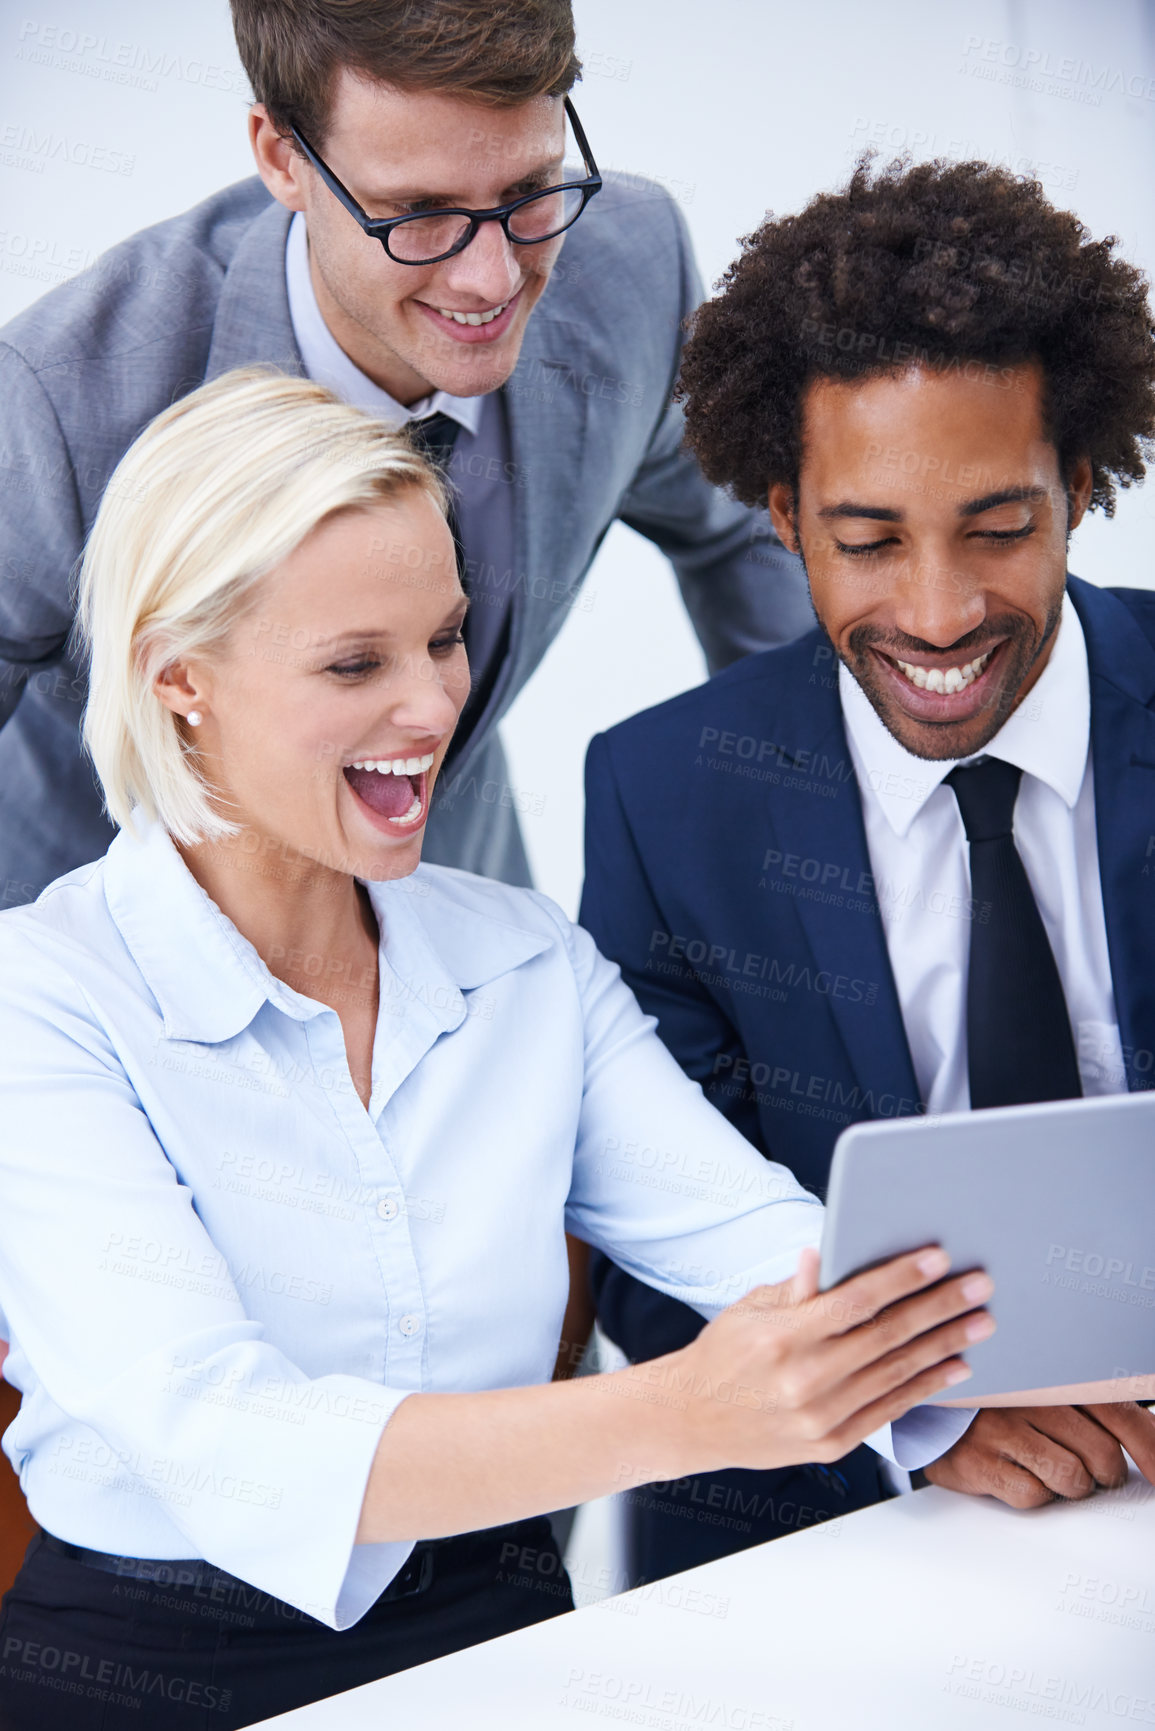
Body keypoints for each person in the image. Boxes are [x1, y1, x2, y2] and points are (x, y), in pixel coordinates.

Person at [0, 368, 984, 1731]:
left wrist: (959, 1378)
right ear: (181, 679)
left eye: (444, 639)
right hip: (158, 1671)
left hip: (502, 1634)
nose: (429, 706)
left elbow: (753, 1232)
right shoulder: (38, 999)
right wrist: (685, 1413)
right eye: (355, 663)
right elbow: (219, 1435)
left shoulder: (523, 957)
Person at [579, 156, 1155, 1585]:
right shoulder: (663, 793)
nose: (939, 611)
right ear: (780, 516)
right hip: (839, 1532)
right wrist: (915, 1413)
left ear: (1077, 485)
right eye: (865, 539)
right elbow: (647, 1262)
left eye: (997, 525)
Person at [0, 0, 812, 914]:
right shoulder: (60, 393)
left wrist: (797, 814)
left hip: (451, 923)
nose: (493, 279)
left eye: (528, 189)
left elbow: (740, 522)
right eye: (417, 214)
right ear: (282, 156)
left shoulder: (629, 265)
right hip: (107, 956)